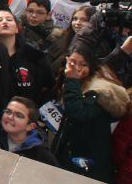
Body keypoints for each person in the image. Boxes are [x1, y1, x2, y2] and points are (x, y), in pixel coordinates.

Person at [52, 36, 130, 181]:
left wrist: (72, 80)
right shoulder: (75, 83)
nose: (77, 68)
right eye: (72, 62)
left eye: (83, 64)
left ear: (92, 67)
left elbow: (78, 112)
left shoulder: (100, 90)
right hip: (67, 152)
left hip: (88, 162)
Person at [0, 97, 59, 167]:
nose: (10, 117)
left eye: (18, 116)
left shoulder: (42, 156)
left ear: (30, 126)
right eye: (8, 112)